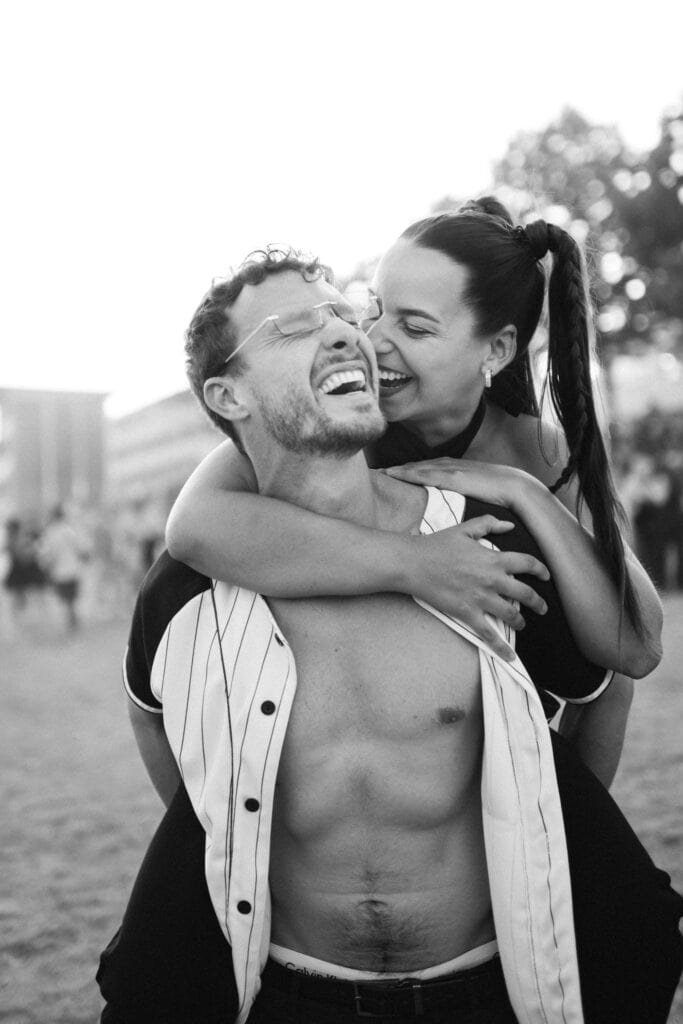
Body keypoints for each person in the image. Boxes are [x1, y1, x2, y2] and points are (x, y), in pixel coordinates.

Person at [98, 249, 682, 1024]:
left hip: (491, 991)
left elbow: (608, 678)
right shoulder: (190, 586)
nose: (347, 333)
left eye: (347, 313)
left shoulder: (485, 547)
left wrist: (543, 825)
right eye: (295, 326)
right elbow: (151, 714)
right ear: (225, 393)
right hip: (283, 995)